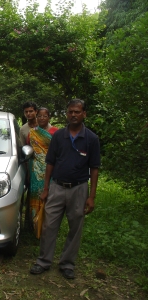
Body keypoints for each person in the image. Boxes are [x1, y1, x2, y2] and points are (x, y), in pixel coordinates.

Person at [29, 99, 100, 279]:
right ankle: (43, 261)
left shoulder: (91, 139)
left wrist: (91, 196)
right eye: (70, 112)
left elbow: (94, 168)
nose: (73, 115)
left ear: (84, 114)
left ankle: (67, 264)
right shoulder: (59, 136)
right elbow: (50, 163)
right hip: (57, 187)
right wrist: (46, 188)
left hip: (79, 188)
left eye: (77, 112)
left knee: (75, 227)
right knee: (49, 225)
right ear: (66, 114)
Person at [27, 107, 58, 238]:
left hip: (51, 169)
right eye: (39, 116)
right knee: (36, 196)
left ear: (49, 117)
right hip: (35, 170)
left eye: (44, 116)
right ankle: (35, 227)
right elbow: (29, 149)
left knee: (50, 198)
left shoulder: (56, 132)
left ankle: (48, 228)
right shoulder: (31, 133)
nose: (42, 118)